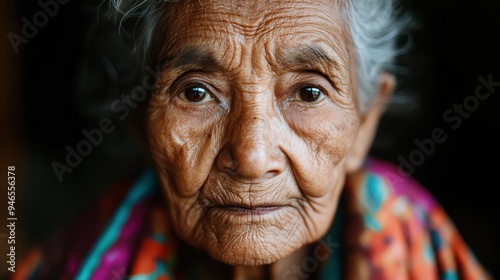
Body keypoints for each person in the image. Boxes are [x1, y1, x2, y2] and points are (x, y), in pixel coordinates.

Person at [13, 0, 493, 279]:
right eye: (196, 92)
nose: (251, 156)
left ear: (365, 123)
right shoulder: (74, 266)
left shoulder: (421, 252)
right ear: (141, 121)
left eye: (308, 92)